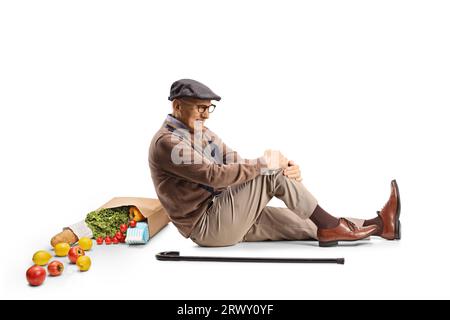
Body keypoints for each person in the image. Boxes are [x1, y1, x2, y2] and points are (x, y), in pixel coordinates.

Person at [148, 79, 401, 247]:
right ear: (177, 106)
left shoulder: (201, 133)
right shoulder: (168, 143)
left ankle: (380, 225)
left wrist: (281, 168)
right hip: (207, 226)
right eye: (199, 108)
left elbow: (234, 162)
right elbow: (215, 175)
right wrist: (268, 168)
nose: (205, 115)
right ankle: (332, 227)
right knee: (269, 172)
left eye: (208, 108)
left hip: (227, 212)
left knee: (306, 223)